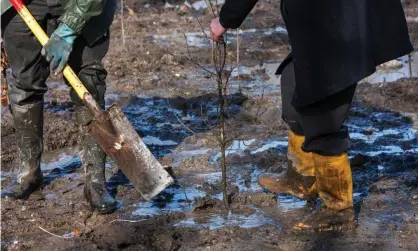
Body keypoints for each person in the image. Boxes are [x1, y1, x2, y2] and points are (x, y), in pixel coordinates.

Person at [210, 0, 413, 231]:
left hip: (341, 23)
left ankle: (338, 209)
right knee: (292, 80)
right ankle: (302, 176)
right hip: (325, 18)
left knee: (322, 111)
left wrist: (226, 19)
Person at [1, 0, 118, 214]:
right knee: (23, 83)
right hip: (22, 5)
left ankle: (95, 183)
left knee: (89, 82)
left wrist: (69, 28)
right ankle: (28, 174)